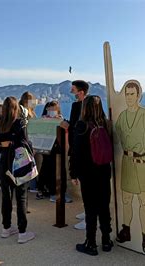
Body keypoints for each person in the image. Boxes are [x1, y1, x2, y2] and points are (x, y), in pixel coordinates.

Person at [115, 81, 145, 255]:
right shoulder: (121, 117)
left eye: (132, 94)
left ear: (138, 95)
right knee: (126, 200)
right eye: (126, 94)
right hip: (126, 162)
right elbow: (116, 140)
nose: (129, 97)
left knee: (144, 203)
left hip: (142, 163)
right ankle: (126, 231)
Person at [70, 95, 113, 256]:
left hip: (87, 173)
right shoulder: (105, 124)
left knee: (90, 209)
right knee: (104, 206)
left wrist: (73, 173)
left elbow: (76, 152)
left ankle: (91, 243)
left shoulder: (81, 125)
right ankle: (107, 240)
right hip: (104, 170)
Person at [0, 96, 35, 244]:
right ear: (17, 108)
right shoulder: (20, 123)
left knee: (6, 197)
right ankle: (22, 232)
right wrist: (13, 144)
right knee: (21, 197)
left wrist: (5, 145)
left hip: (4, 164)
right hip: (18, 165)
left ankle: (6, 228)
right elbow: (25, 142)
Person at [60, 80, 89, 230]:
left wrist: (66, 126)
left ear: (81, 92)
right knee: (85, 184)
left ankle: (89, 217)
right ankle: (87, 211)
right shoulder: (89, 105)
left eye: (73, 90)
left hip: (82, 149)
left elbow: (75, 127)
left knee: (86, 184)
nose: (72, 93)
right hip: (83, 149)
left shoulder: (79, 106)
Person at [36, 101, 69, 202]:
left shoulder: (61, 119)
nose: (52, 111)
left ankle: (58, 191)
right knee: (47, 168)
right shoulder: (43, 120)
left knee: (59, 169)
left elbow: (67, 127)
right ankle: (50, 191)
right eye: (50, 109)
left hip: (58, 147)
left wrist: (60, 122)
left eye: (54, 109)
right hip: (47, 147)